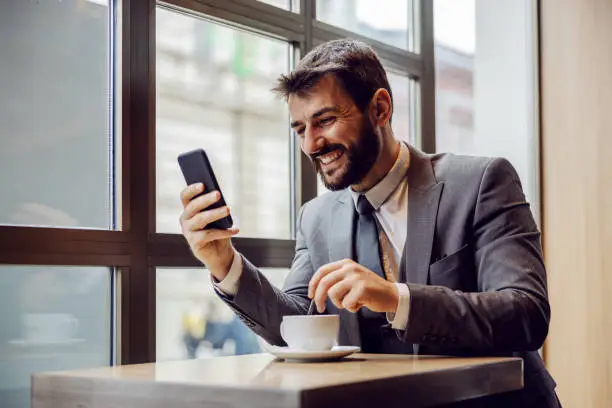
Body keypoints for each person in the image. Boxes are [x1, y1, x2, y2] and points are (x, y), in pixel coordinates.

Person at [179, 39, 559, 407]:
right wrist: (223, 263)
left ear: (380, 108)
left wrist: (395, 298)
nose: (312, 144)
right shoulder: (316, 217)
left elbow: (526, 313)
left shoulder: (481, 182)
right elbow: (294, 326)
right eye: (299, 129)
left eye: (324, 120)